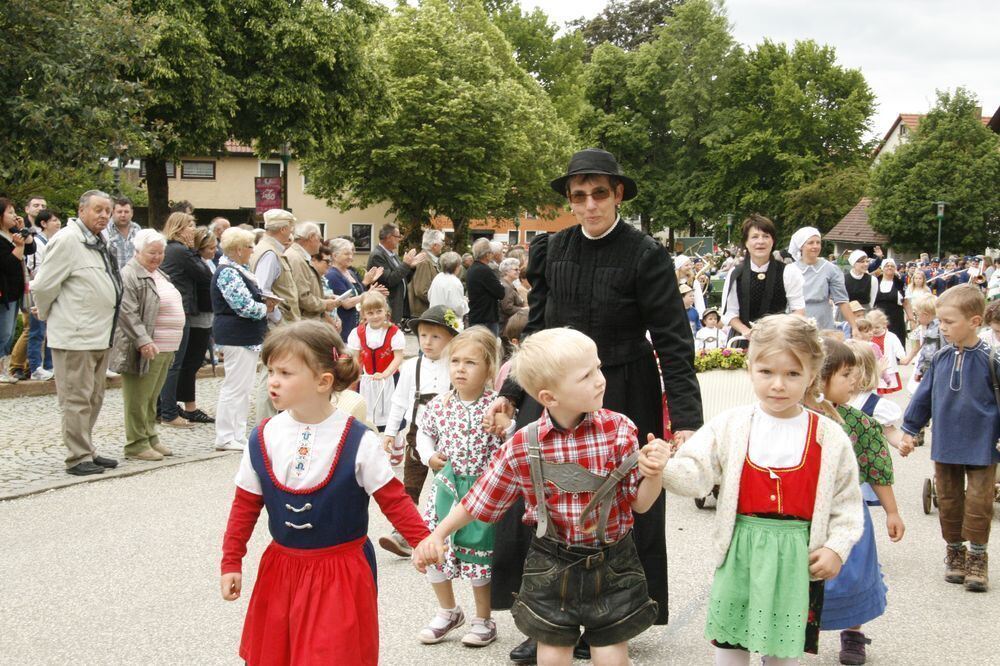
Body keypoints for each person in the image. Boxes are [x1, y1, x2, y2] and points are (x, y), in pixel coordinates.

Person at [487, 149, 702, 661]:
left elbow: (673, 341)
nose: (589, 204)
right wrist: (510, 393)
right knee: (544, 501)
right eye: (579, 196)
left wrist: (688, 422)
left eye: (599, 193)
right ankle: (546, 619)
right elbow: (536, 333)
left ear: (618, 194)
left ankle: (614, 620)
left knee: (621, 503)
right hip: (557, 392)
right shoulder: (551, 250)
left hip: (625, 386)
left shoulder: (646, 254)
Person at [413, 328, 669, 665]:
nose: (600, 380)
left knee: (611, 656)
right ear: (549, 397)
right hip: (551, 563)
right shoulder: (523, 443)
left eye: (598, 368)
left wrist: (654, 473)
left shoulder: (619, 429)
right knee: (551, 655)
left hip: (612, 563)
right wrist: (437, 534)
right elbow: (480, 499)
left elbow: (641, 503)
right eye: (587, 375)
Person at [219, 320, 429, 666]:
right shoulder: (263, 436)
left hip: (341, 572)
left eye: (286, 372)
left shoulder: (358, 439)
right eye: (270, 370)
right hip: (282, 570)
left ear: (323, 381)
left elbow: (393, 498)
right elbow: (245, 505)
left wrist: (421, 540)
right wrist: (231, 561)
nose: (273, 380)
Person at [660, 314, 864, 665]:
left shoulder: (829, 437)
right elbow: (696, 472)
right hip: (740, 550)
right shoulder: (732, 424)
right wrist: (661, 467)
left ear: (812, 375)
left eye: (793, 374)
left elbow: (846, 504)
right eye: (766, 372)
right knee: (729, 645)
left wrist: (836, 547)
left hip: (796, 558)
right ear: (750, 367)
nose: (778, 385)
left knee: (781, 652)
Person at [806, 339, 903, 666]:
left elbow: (877, 467)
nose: (855, 382)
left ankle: (853, 632)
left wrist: (892, 511)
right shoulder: (795, 419)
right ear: (820, 378)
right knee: (802, 575)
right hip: (803, 515)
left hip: (849, 514)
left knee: (854, 574)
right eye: (846, 374)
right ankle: (788, 638)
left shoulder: (858, 422)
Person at [900, 285, 1000, 592]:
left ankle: (977, 559)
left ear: (974, 321)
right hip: (946, 443)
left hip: (982, 444)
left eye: (948, 322)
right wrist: (908, 429)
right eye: (940, 322)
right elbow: (923, 397)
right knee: (949, 499)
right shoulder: (940, 358)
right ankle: (954, 552)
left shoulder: (991, 360)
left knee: (980, 502)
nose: (942, 327)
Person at [414, 327, 505, 648]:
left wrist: (507, 426)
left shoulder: (498, 405)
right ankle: (448, 610)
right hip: (448, 490)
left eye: (470, 363)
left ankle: (483, 618)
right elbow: (422, 432)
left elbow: (515, 437)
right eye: (455, 361)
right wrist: (428, 455)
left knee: (478, 554)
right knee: (434, 551)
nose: (460, 369)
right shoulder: (440, 404)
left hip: (483, 492)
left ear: (489, 369)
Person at [29, 190, 123, 475]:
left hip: (99, 333)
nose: (104, 216)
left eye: (107, 210)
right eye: (98, 210)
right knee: (76, 399)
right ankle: (77, 456)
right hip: (75, 334)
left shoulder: (98, 241)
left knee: (94, 397)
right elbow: (44, 286)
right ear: (82, 211)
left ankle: (87, 449)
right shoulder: (68, 240)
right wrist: (49, 316)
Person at [379, 305, 459, 557]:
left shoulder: (455, 366)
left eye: (436, 336)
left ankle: (447, 534)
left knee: (446, 486)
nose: (428, 341)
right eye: (423, 335)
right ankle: (402, 533)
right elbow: (399, 401)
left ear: (450, 339)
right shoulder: (411, 366)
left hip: (448, 436)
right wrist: (391, 432)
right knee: (410, 486)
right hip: (416, 433)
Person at [109, 229, 186, 461]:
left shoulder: (158, 273)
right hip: (144, 347)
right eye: (152, 252)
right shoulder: (130, 274)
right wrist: (143, 340)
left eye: (161, 252)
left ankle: (150, 436)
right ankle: (136, 443)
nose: (158, 257)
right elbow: (127, 311)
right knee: (138, 397)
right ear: (138, 251)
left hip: (165, 346)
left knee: (152, 397)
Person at [212, 227, 276, 452]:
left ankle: (236, 434)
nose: (252, 250)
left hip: (244, 335)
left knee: (243, 387)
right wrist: (265, 307)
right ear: (238, 249)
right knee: (235, 387)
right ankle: (226, 436)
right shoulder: (228, 271)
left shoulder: (239, 268)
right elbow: (243, 305)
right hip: (236, 334)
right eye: (250, 247)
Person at [721, 215, 806, 341]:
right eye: (754, 237)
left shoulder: (788, 271)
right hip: (743, 339)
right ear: (746, 242)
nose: (760, 241)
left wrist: (781, 331)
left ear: (772, 241)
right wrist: (747, 331)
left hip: (778, 339)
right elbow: (730, 312)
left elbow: (798, 309)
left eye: (766, 236)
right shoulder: (736, 273)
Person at [158, 212, 201, 428]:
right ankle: (168, 412)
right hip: (179, 309)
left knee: (166, 363)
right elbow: (204, 275)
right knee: (174, 363)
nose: (194, 229)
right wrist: (196, 251)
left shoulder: (169, 248)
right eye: (190, 225)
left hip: (169, 308)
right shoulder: (182, 251)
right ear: (180, 228)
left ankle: (161, 409)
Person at [347, 291, 406, 430]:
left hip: (389, 379)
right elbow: (356, 358)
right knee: (368, 418)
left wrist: (385, 373)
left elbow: (398, 357)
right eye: (370, 313)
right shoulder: (358, 332)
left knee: (393, 418)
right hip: (368, 380)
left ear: (386, 311)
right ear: (364, 314)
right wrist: (354, 375)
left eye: (379, 311)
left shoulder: (394, 332)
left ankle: (396, 445)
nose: (375, 316)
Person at [177, 226, 218, 424]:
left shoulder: (206, 264)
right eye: (210, 248)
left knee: (193, 363)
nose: (214, 251)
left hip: (206, 316)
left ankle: (188, 403)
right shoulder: (197, 265)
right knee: (191, 363)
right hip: (198, 317)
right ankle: (189, 406)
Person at [790, 227, 858, 334]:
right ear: (801, 246)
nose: (815, 246)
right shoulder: (791, 269)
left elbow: (842, 300)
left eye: (818, 242)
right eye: (811, 243)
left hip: (822, 319)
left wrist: (854, 327)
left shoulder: (830, 269)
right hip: (796, 320)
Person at [0, 198, 35, 383]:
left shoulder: (12, 233)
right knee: (3, 332)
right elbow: (8, 264)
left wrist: (23, 231)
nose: (15, 216)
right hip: (3, 294)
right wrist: (19, 246)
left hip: (15, 292)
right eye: (10, 212)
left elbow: (31, 248)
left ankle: (3, 370)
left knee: (9, 332)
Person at [846, 339, 904, 450]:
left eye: (847, 372)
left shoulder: (874, 404)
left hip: (866, 462)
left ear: (865, 373)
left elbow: (891, 432)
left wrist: (902, 443)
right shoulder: (833, 399)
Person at [24, 210, 60, 380]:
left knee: (51, 329)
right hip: (37, 288)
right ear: (44, 223)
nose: (58, 223)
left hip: (52, 288)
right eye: (53, 220)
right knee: (37, 330)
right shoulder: (37, 242)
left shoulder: (56, 241)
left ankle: (49, 365)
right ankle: (35, 367)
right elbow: (33, 266)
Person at [325, 237, 384, 340]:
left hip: (357, 326)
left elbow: (359, 294)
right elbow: (346, 303)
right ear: (334, 256)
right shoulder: (332, 275)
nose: (351, 257)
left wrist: (370, 288)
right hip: (343, 328)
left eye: (351, 254)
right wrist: (368, 294)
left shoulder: (350, 272)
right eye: (346, 254)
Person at [367, 222, 425, 325]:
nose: (399, 240)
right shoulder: (377, 256)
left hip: (397, 307)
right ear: (389, 237)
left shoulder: (393, 255)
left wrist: (410, 267)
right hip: (386, 307)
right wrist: (406, 264)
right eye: (398, 236)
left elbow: (402, 279)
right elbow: (390, 280)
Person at [250, 208, 300, 324]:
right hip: (278, 326)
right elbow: (262, 291)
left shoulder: (266, 249)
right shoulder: (269, 254)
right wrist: (279, 319)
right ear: (283, 229)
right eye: (290, 228)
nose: (291, 232)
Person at [284, 221, 339, 322]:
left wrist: (325, 297)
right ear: (312, 237)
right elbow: (302, 297)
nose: (320, 243)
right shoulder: (296, 259)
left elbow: (305, 290)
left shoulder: (299, 257)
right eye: (320, 239)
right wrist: (325, 304)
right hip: (305, 323)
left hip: (307, 321)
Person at [465, 238, 505, 335]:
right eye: (491, 252)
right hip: (486, 319)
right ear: (487, 254)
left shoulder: (472, 269)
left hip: (477, 316)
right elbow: (501, 293)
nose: (492, 254)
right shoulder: (484, 270)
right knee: (488, 348)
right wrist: (500, 285)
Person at [866, 309, 904, 395]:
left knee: (883, 387)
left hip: (886, 365)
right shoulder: (869, 337)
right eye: (871, 328)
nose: (874, 330)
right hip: (872, 366)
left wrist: (902, 356)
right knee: (873, 388)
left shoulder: (891, 336)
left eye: (877, 327)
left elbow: (898, 347)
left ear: (884, 325)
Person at [873, 258, 911, 343]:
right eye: (887, 266)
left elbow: (906, 302)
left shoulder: (900, 283)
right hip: (879, 319)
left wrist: (912, 319)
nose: (889, 268)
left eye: (892, 266)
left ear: (895, 268)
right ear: (882, 268)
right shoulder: (875, 282)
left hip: (896, 319)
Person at [409, 229, 444, 318]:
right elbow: (421, 291)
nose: (443, 245)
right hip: (423, 313)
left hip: (426, 312)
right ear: (434, 245)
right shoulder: (424, 261)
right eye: (441, 242)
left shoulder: (429, 260)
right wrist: (440, 301)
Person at [427, 251, 468, 320]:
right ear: (457, 267)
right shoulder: (455, 282)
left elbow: (429, 296)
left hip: (434, 317)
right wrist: (465, 302)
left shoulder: (438, 277)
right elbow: (458, 308)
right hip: (448, 322)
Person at [104, 197, 141, 269]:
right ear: (113, 212)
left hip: (133, 277)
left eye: (126, 212)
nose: (123, 215)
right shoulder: (104, 230)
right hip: (112, 277)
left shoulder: (137, 229)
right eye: (119, 212)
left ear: (132, 213)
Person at [498, 257, 528, 345]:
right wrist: (523, 310)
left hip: (506, 325)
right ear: (506, 271)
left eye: (518, 269)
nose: (518, 271)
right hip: (506, 326)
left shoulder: (508, 284)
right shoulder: (506, 287)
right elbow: (507, 308)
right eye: (516, 269)